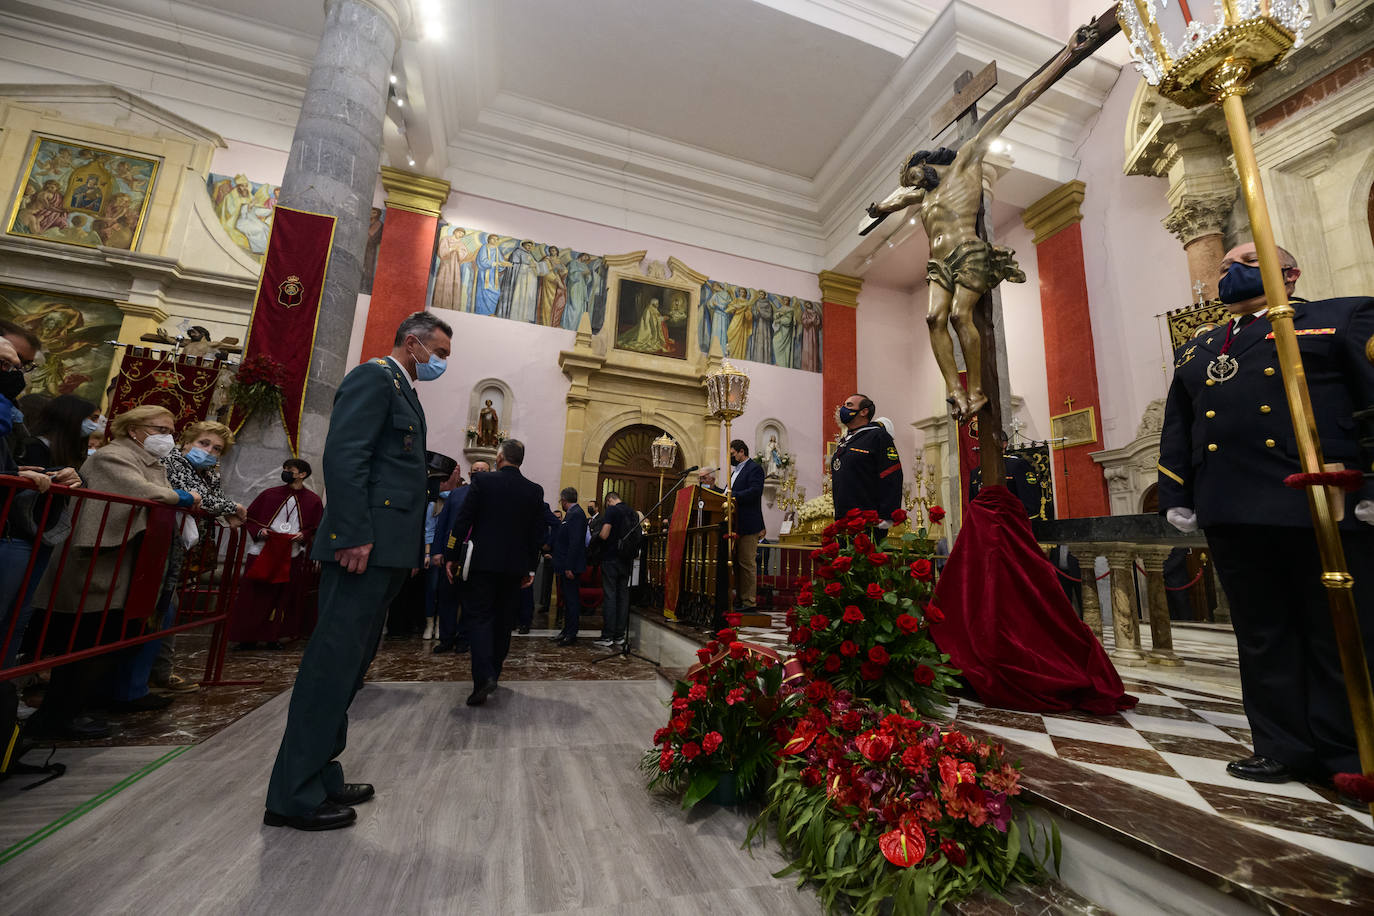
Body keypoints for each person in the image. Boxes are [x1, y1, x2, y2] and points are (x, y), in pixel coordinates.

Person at [1158, 241, 1374, 794]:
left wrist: (1372, 481)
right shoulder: (1199, 346)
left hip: (1320, 502)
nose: (1231, 270)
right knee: (1261, 634)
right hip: (1233, 506)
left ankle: (1348, 748)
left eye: (1249, 262)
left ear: (1291, 274)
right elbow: (1179, 423)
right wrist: (1175, 491)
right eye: (1227, 265)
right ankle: (1281, 746)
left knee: (1336, 629)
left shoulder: (1339, 318)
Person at [264, 311, 451, 832]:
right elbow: (347, 458)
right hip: (363, 547)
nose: (440, 363)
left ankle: (321, 772)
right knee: (330, 667)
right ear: (412, 343)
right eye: (439, 353)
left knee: (351, 668)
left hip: (387, 549)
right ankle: (291, 795)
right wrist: (353, 533)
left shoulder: (402, 387)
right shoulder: (374, 377)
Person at [866, 27, 1096, 421]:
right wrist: (875, 210)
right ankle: (954, 391)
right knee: (933, 318)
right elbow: (890, 202)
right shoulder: (924, 194)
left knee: (960, 316)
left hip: (967, 252)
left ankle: (976, 391)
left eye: (912, 177)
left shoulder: (967, 161)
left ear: (924, 164)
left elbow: (1016, 103)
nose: (911, 185)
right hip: (939, 263)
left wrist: (1066, 56)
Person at [22, 405, 199, 740]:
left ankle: (77, 707)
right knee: (83, 643)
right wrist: (184, 496)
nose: (168, 437)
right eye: (160, 429)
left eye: (170, 430)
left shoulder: (150, 460)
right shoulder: (113, 456)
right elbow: (147, 493)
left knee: (104, 642)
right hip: (96, 564)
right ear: (134, 430)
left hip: (126, 564)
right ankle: (56, 718)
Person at [112, 419, 246, 707]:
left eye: (216, 449)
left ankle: (149, 678)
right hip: (152, 546)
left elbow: (211, 497)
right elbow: (191, 495)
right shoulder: (172, 462)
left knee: (165, 612)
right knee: (152, 612)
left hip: (174, 550)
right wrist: (231, 508)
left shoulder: (208, 472)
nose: (209, 452)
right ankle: (131, 688)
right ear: (186, 442)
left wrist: (221, 507)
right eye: (203, 443)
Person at [443, 439, 544, 707]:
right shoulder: (534, 490)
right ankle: (494, 673)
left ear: (499, 458)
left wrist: (452, 556)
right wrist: (530, 567)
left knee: (479, 618)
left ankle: (483, 677)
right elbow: (537, 534)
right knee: (503, 622)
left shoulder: (484, 483)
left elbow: (462, 521)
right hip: (514, 569)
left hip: (482, 564)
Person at [230, 458, 323, 649]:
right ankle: (247, 638)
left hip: (292, 554)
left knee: (281, 596)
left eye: (290, 469)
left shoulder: (313, 500)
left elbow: (315, 527)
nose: (285, 472)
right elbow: (250, 519)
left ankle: (273, 637)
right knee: (253, 596)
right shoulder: (269, 494)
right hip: (262, 551)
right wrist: (260, 532)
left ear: (302, 474)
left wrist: (302, 535)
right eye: (285, 469)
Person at [432, 460, 488, 654]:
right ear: (470, 474)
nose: (479, 472)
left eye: (483, 470)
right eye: (476, 470)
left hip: (476, 557)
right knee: (447, 598)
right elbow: (442, 525)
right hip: (451, 553)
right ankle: (446, 638)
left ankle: (464, 638)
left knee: (470, 601)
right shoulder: (456, 494)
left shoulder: (491, 496)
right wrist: (437, 551)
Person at [830, 393, 903, 530]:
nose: (843, 409)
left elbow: (891, 475)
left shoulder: (878, 436)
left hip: (869, 522)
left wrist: (887, 517)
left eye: (849, 405)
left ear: (864, 411)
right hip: (843, 521)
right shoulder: (846, 441)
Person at [423, 464, 463, 640]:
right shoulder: (435, 502)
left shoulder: (459, 499)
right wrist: (428, 553)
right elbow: (429, 529)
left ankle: (442, 624)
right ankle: (429, 624)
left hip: (453, 551)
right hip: (434, 552)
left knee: (448, 591)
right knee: (431, 589)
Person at [726, 439, 765, 612]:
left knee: (747, 563)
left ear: (742, 452)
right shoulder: (734, 472)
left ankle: (749, 602)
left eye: (733, 454)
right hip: (735, 523)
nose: (731, 458)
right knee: (736, 564)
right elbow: (728, 492)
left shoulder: (754, 468)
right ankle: (740, 599)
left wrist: (733, 496)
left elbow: (755, 491)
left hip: (749, 522)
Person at [594, 492, 636, 648]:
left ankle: (607, 636)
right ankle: (619, 635)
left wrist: (595, 538)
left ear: (609, 500)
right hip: (626, 560)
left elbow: (604, 534)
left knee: (610, 596)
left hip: (611, 558)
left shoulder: (612, 510)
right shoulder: (632, 512)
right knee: (623, 597)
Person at [551, 486, 588, 646]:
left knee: (572, 600)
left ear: (564, 500)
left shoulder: (577, 515)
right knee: (567, 599)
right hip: (565, 564)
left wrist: (569, 567)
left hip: (570, 567)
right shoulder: (571, 514)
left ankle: (571, 633)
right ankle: (566, 630)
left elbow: (575, 543)